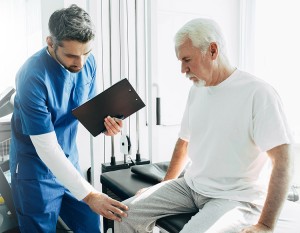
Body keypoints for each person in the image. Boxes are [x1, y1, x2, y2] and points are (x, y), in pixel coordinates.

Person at [115, 18, 294, 233]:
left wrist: (265, 225)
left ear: (212, 50)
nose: (183, 69)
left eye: (187, 59)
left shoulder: (258, 93)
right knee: (124, 214)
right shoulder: (197, 89)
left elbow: (284, 162)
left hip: (235, 197)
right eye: (180, 61)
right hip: (191, 186)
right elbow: (183, 143)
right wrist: (162, 186)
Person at [9, 4, 128, 232]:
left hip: (68, 161)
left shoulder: (86, 63)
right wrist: (91, 194)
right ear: (50, 43)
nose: (80, 63)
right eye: (72, 55)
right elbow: (46, 148)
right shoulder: (31, 77)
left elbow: (89, 109)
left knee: (91, 224)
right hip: (35, 171)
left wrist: (106, 125)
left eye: (86, 53)